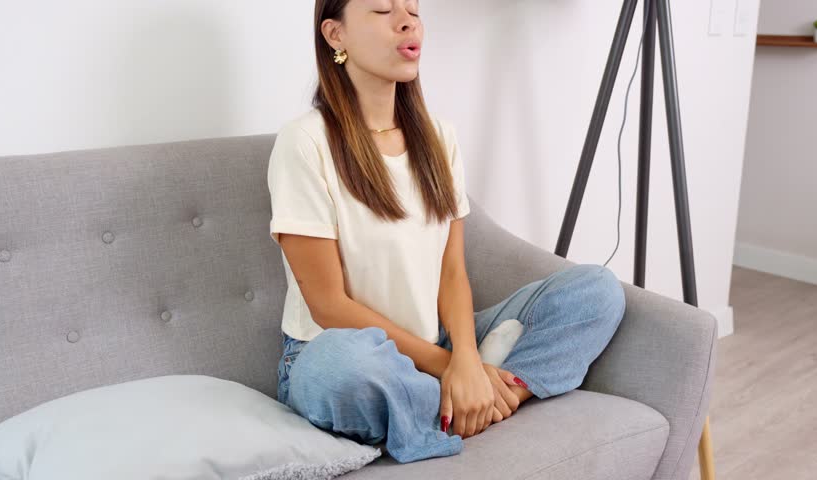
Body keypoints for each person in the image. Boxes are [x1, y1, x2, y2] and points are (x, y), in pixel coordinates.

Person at [267, 0, 626, 465]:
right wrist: (452, 366)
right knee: (340, 369)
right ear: (336, 35)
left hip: (440, 342)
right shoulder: (304, 142)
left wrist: (466, 357)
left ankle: (476, 399)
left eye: (412, 10)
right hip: (338, 352)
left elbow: (452, 272)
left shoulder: (439, 137)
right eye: (383, 10)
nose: (407, 22)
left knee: (597, 290)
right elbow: (328, 305)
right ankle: (473, 393)